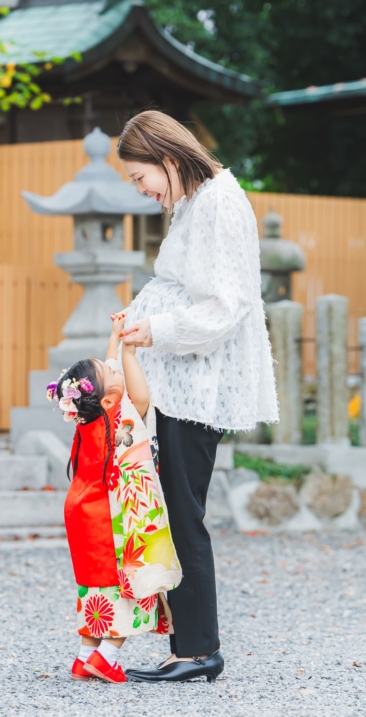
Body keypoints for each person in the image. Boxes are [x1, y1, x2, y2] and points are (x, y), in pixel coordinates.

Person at [116, 110, 278, 684]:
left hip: (198, 380)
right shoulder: (193, 203)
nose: (142, 191)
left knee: (183, 512)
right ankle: (187, 645)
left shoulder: (217, 203)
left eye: (141, 178)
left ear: (166, 157)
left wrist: (154, 330)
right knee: (173, 509)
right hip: (180, 378)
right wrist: (141, 322)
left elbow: (225, 306)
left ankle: (200, 649)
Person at [49, 313, 183, 684]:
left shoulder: (88, 417)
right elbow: (141, 396)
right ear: (109, 398)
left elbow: (108, 378)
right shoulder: (120, 422)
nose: (116, 371)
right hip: (111, 516)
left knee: (94, 584)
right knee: (128, 582)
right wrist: (129, 351)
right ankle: (107, 657)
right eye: (112, 375)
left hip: (82, 510)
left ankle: (84, 656)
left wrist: (113, 337)